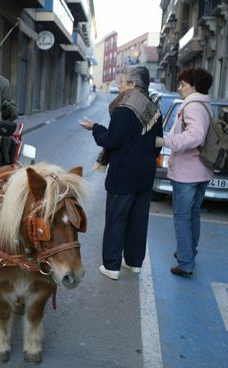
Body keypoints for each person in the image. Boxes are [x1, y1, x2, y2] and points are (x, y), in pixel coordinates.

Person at [80, 65, 163, 280]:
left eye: (123, 81)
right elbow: (157, 144)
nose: (119, 84)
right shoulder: (153, 109)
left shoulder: (124, 108)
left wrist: (95, 128)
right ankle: (134, 263)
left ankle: (112, 266)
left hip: (123, 174)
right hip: (145, 174)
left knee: (117, 219)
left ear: (133, 84)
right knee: (138, 220)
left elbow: (111, 140)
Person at [156, 68, 214, 277]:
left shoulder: (192, 106)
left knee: (182, 217)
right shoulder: (205, 105)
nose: (179, 88)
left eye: (183, 84)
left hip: (188, 172)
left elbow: (195, 136)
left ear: (194, 86)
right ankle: (187, 251)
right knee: (192, 216)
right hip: (201, 171)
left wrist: (167, 141)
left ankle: (186, 263)